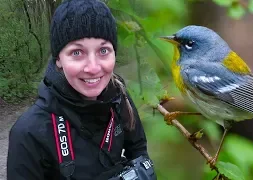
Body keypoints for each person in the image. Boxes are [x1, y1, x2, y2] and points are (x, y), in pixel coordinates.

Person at [7, 0, 156, 179]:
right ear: (58, 60)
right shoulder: (28, 133)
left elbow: (139, 152)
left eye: (103, 51)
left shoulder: (119, 97)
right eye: (77, 53)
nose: (93, 68)